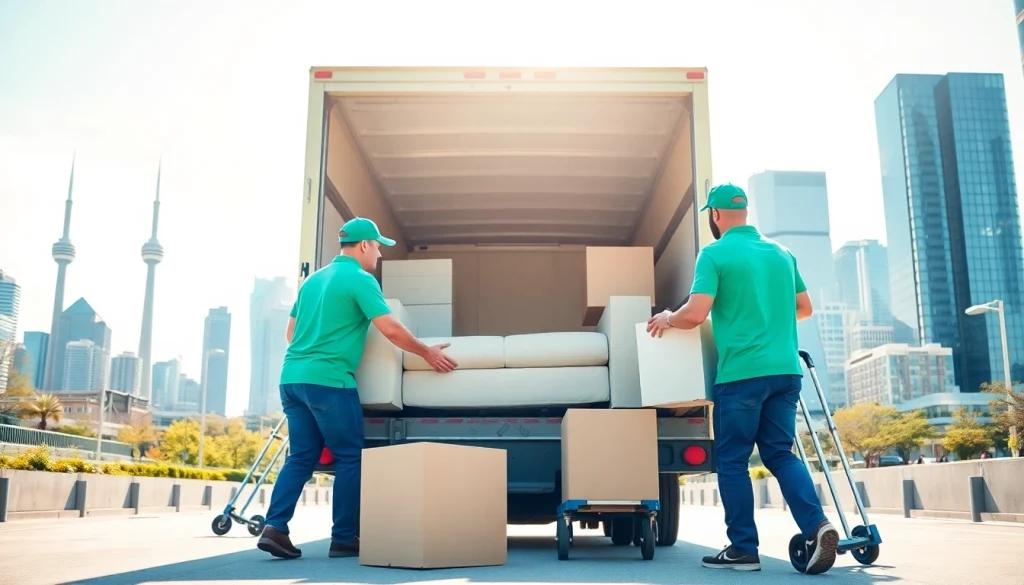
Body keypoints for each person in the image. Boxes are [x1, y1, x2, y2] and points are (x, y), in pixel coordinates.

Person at [646, 184, 839, 574]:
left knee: (733, 460)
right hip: (786, 372)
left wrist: (666, 318)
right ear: (744, 212)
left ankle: (743, 549)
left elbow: (695, 313)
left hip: (742, 375)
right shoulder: (782, 254)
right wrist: (769, 320)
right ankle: (817, 526)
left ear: (715, 216)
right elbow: (804, 308)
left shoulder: (714, 254)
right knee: (780, 454)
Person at [257, 217, 458, 560]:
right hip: (331, 382)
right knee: (350, 456)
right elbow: (391, 329)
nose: (379, 254)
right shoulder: (360, 279)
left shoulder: (312, 281)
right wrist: (428, 353)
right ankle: (344, 537)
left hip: (292, 379)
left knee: (302, 457)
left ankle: (275, 527)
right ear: (364, 245)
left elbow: (291, 334)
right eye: (377, 247)